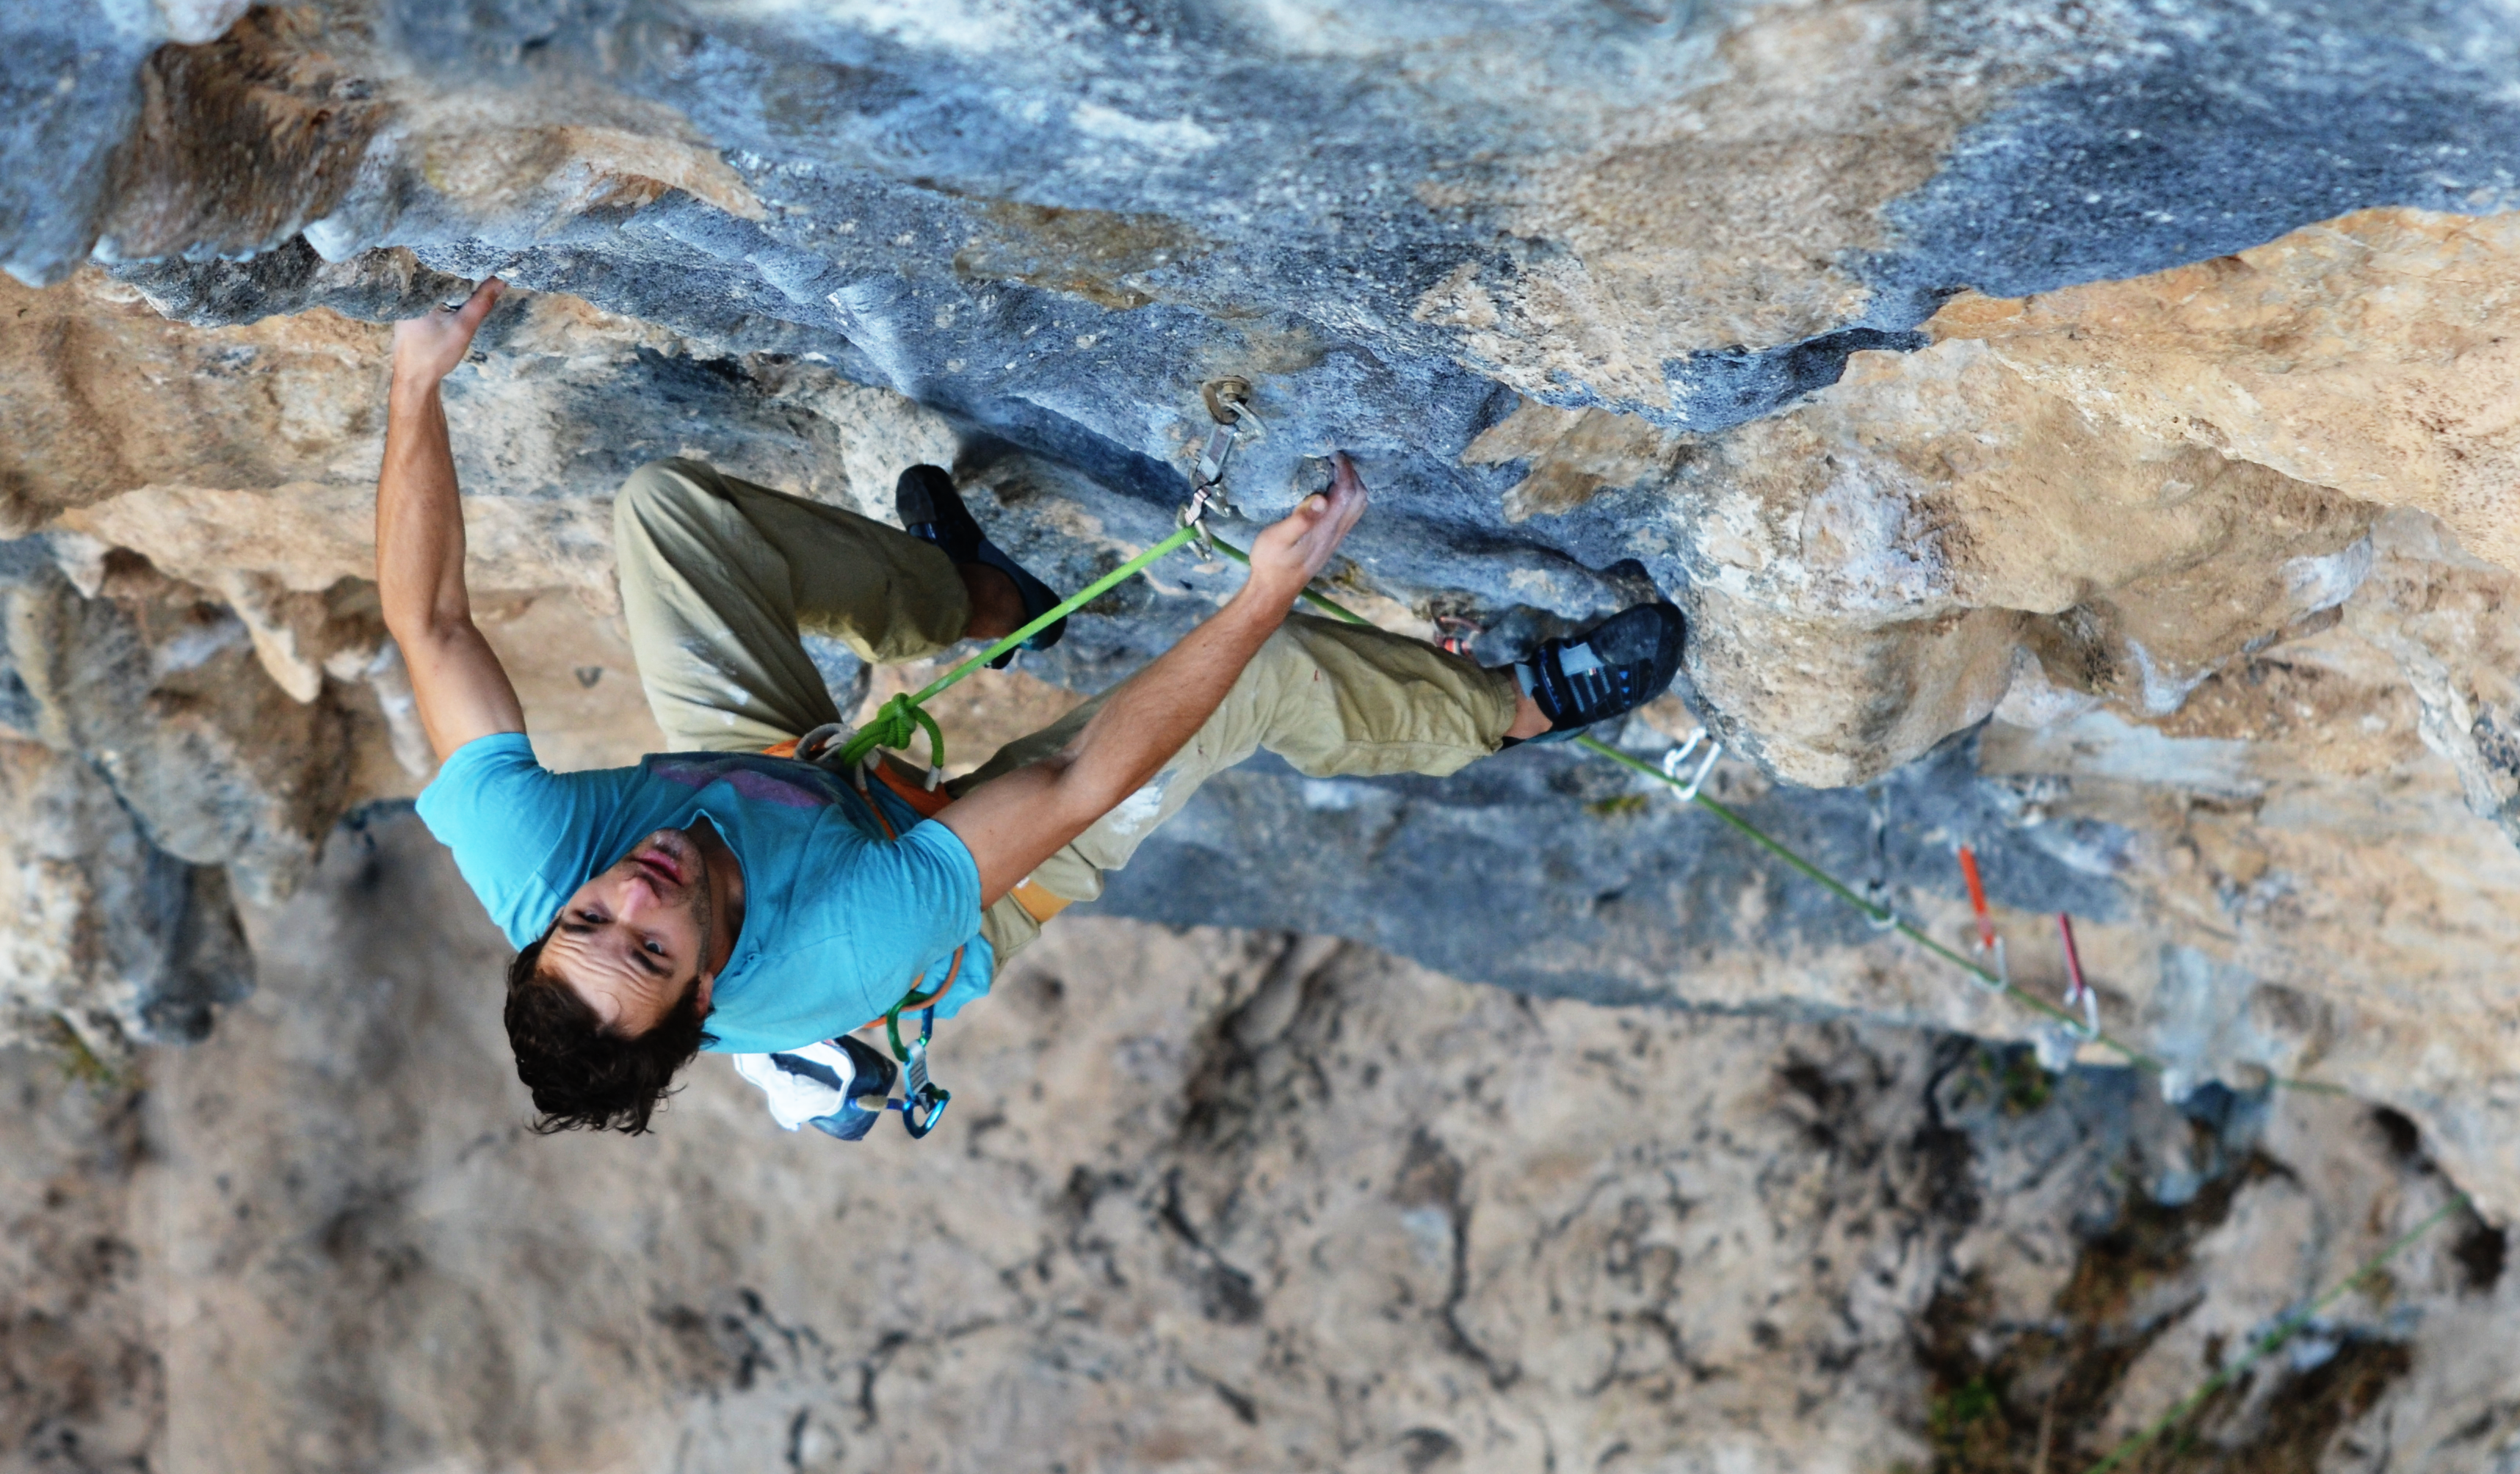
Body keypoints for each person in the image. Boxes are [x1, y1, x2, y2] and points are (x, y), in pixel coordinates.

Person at [383, 280, 1687, 1135]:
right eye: (653, 948)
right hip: (936, 897)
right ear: (707, 985)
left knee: (671, 520)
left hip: (774, 788)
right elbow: (1071, 789)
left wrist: (413, 384)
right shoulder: (842, 943)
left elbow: (429, 622)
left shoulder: (542, 860)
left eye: (597, 916)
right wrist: (1260, 595)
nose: (638, 894)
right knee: (1264, 675)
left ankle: (984, 595)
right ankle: (1507, 709)